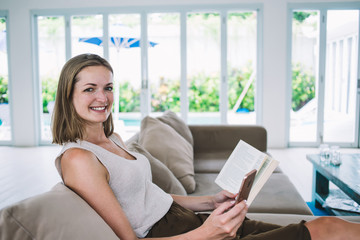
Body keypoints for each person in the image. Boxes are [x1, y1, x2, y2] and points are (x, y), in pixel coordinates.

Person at [52, 53, 360, 240]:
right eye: (89, 89)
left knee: (326, 223)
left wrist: (209, 203)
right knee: (325, 231)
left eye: (107, 88)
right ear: (68, 95)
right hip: (185, 236)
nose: (102, 98)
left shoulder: (113, 139)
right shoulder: (79, 158)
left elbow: (148, 196)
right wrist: (207, 234)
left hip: (193, 224)